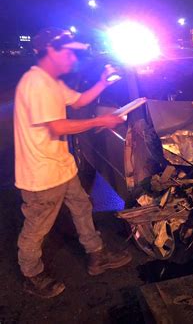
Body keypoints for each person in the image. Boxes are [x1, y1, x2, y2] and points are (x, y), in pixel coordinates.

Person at [14, 28, 132, 299]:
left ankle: (97, 255)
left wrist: (102, 82)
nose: (72, 57)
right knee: (36, 227)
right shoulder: (36, 83)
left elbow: (78, 101)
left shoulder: (52, 82)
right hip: (40, 175)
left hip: (61, 167)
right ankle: (31, 275)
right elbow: (58, 127)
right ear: (50, 51)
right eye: (67, 52)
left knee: (82, 208)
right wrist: (101, 121)